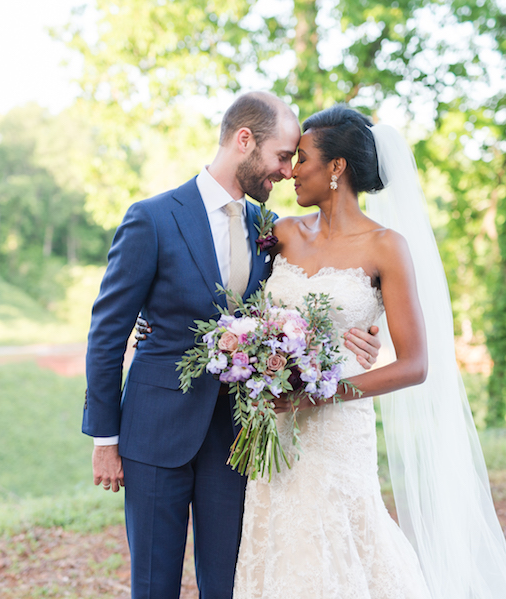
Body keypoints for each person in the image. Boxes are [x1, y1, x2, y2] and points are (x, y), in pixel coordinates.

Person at [82, 92, 381, 599]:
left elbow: (305, 302)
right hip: (154, 432)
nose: (287, 172)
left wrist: (362, 333)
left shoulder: (269, 230)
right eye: (283, 156)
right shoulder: (152, 218)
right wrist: (104, 439)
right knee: (154, 586)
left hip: (237, 439)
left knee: (229, 585)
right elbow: (107, 332)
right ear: (245, 140)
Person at [232, 105, 506, 599]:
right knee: (277, 546)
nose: (289, 171)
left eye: (301, 158)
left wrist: (320, 395)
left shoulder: (386, 247)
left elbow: (415, 364)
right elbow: (248, 314)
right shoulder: (281, 234)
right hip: (277, 427)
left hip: (336, 427)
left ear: (336, 168)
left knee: (343, 547)